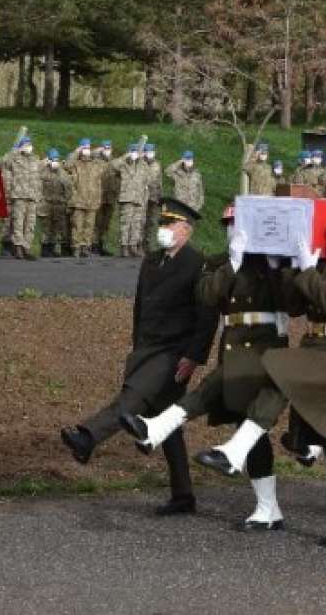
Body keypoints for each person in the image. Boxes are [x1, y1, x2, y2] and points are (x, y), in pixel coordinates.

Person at [194, 208, 326, 548]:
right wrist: (287, 268)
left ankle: (237, 450)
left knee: (279, 370)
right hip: (317, 346)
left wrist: (308, 269)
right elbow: (297, 307)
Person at [122, 203, 292, 530]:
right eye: (227, 225)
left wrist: (277, 264)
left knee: (219, 402)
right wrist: (234, 261)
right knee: (245, 422)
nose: (232, 231)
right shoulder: (219, 262)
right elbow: (208, 295)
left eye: (237, 225)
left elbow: (293, 302)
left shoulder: (271, 263)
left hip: (267, 347)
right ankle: (268, 507)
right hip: (235, 347)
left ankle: (157, 428)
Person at [60, 198, 218, 515]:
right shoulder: (152, 260)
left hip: (174, 352)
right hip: (147, 347)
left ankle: (88, 437)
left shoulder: (198, 264)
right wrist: (136, 344)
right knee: (167, 425)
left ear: (186, 230)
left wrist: (194, 356)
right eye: (161, 224)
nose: (163, 230)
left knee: (132, 398)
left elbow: (207, 316)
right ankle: (183, 496)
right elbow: (140, 307)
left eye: (170, 225)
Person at [64, 139, 107, 259]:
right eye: (84, 147)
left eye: (88, 147)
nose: (87, 150)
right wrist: (76, 152)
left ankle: (86, 247)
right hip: (78, 201)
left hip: (92, 201)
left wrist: (98, 153)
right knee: (77, 225)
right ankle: (76, 247)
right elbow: (67, 165)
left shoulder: (96, 165)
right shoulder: (76, 164)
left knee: (89, 226)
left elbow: (107, 166)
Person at [1, 137, 42, 260]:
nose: (28, 147)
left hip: (32, 195)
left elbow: (38, 178)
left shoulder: (35, 159)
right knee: (18, 222)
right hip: (19, 195)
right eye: (26, 145)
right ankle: (18, 247)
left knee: (30, 223)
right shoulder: (15, 158)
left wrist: (39, 194)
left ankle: (26, 247)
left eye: (30, 144)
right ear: (21, 146)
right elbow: (3, 162)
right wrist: (15, 150)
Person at [112, 143, 149, 257]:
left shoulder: (143, 165)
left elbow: (147, 180)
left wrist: (144, 198)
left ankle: (133, 246)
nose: (135, 154)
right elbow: (113, 165)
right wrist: (126, 156)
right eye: (132, 151)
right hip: (127, 198)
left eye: (136, 152)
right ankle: (124, 246)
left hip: (139, 198)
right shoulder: (123, 164)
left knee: (136, 224)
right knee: (126, 223)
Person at [37, 149, 70, 257]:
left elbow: (68, 188)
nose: (55, 161)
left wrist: (65, 201)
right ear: (48, 160)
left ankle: (52, 247)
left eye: (56, 159)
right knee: (46, 228)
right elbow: (37, 184)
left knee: (56, 228)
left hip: (58, 205)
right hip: (46, 203)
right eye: (52, 159)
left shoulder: (62, 173)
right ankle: (45, 249)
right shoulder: (42, 171)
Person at [94, 140, 118, 256]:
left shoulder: (114, 162)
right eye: (105, 148)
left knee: (105, 223)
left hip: (110, 196)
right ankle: (93, 245)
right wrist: (96, 151)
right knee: (97, 222)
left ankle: (101, 245)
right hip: (99, 195)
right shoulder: (96, 161)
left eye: (109, 148)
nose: (108, 150)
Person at [141, 143, 162, 254]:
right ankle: (138, 245)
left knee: (151, 222)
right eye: (148, 151)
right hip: (141, 197)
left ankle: (147, 245)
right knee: (140, 222)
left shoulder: (157, 165)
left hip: (153, 197)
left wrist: (160, 197)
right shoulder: (139, 163)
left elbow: (159, 182)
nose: (150, 153)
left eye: (151, 151)